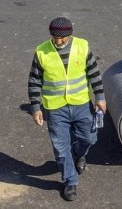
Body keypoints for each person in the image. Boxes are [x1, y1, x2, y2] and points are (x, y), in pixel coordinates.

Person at [28, 17, 107, 202]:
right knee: (61, 147)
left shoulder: (82, 46)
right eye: (54, 37)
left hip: (81, 105)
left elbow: (94, 73)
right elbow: (34, 82)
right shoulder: (41, 52)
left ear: (70, 35)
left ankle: (79, 154)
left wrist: (100, 97)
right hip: (55, 110)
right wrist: (35, 107)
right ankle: (70, 181)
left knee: (89, 138)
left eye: (62, 38)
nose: (58, 41)